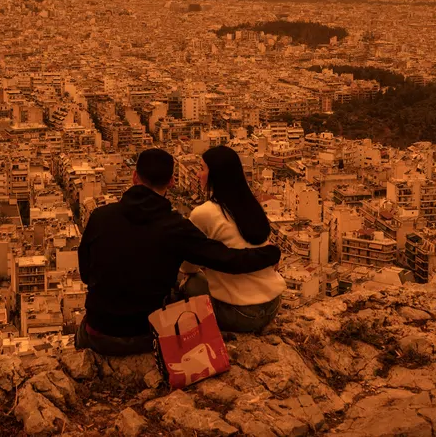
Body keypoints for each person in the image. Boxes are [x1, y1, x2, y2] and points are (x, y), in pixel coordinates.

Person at [76, 148, 282, 356]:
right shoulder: (176, 228)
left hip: (98, 334)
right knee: (181, 285)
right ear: (172, 182)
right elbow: (228, 260)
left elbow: (86, 274)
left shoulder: (100, 217)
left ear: (134, 176)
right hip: (148, 335)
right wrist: (270, 254)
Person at [181, 145, 286, 333]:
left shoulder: (203, 213)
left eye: (203, 169)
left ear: (216, 175)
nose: (198, 174)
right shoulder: (252, 206)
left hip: (240, 315)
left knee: (187, 280)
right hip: (272, 306)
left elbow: (188, 266)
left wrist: (208, 263)